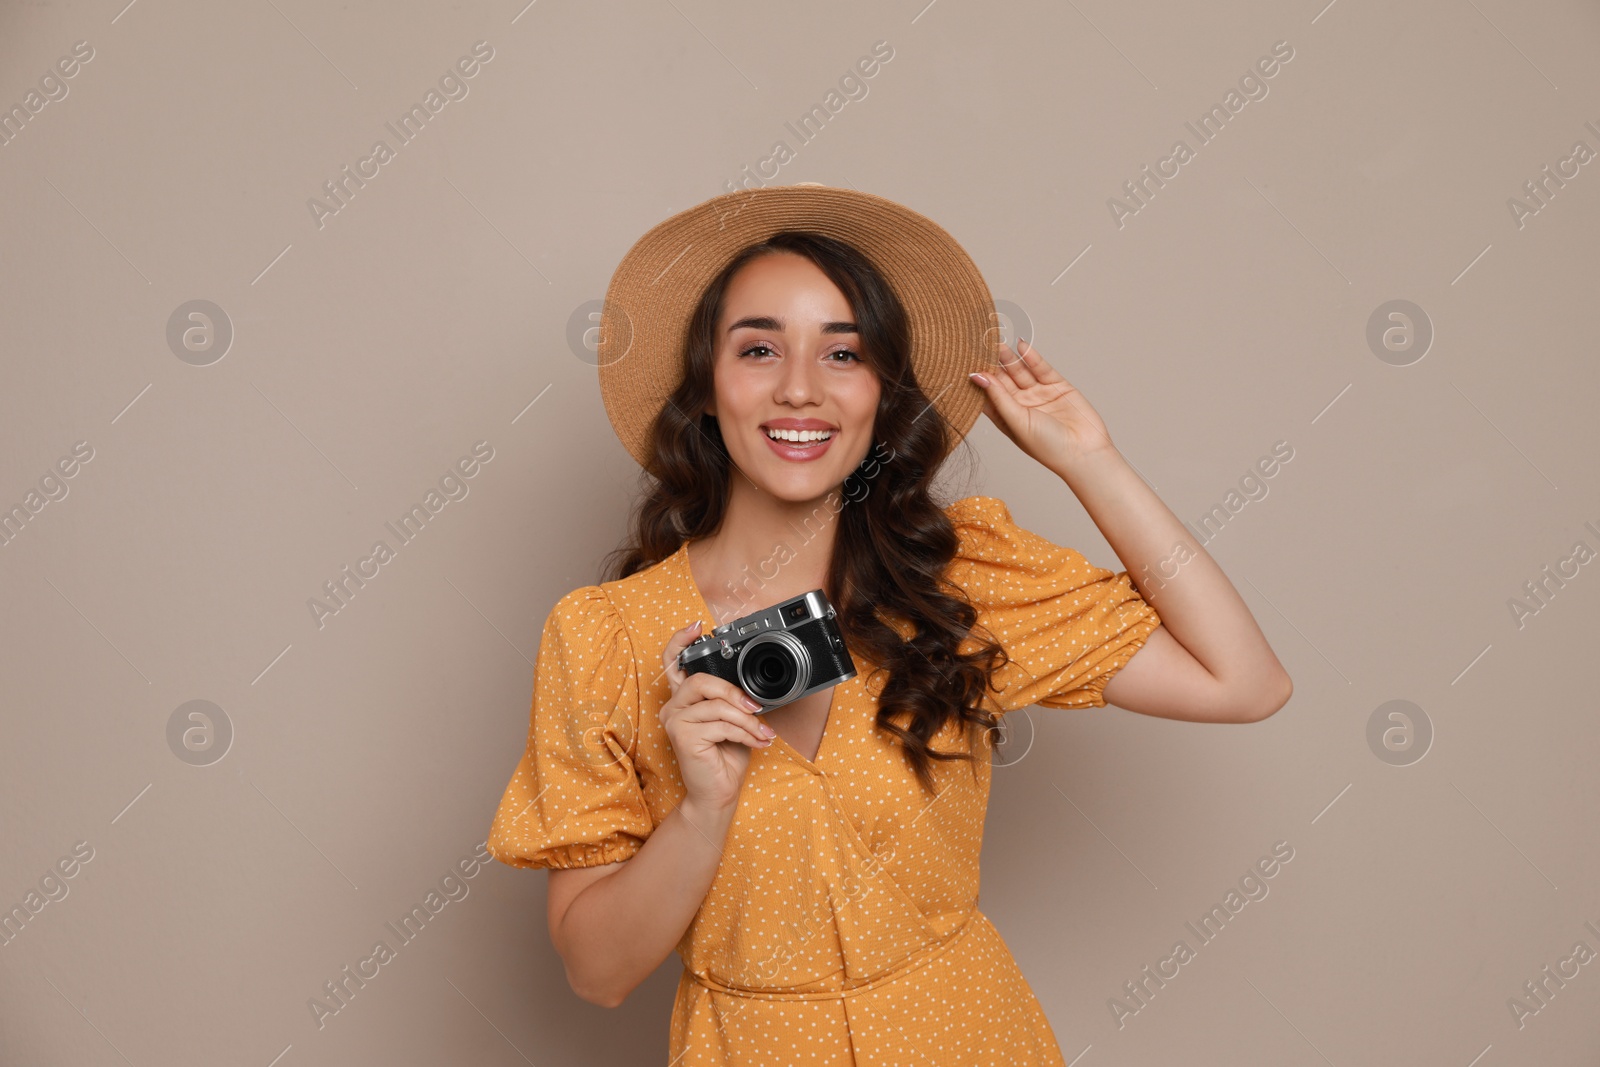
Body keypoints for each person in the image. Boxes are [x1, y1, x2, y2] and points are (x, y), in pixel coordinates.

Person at [486, 183, 1292, 1065]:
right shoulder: (604, 634)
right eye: (758, 349)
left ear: (881, 396)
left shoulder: (957, 579)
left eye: (845, 354)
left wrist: (1090, 462)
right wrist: (702, 808)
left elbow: (1245, 682)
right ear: (707, 389)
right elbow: (596, 973)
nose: (800, 390)